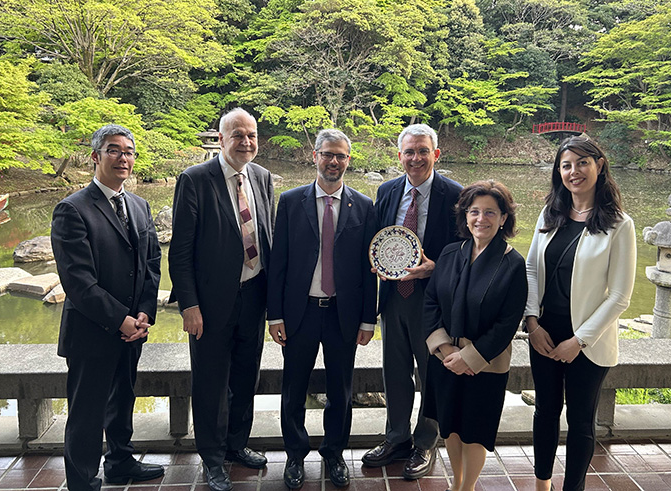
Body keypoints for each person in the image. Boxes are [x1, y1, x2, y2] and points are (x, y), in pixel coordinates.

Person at [51, 124, 163, 491]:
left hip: (134, 329)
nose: (124, 158)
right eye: (114, 150)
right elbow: (78, 282)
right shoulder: (72, 209)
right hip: (93, 332)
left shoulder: (139, 204)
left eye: (129, 151)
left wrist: (145, 311)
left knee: (123, 402)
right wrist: (121, 319)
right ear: (96, 157)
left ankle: (120, 462)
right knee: (87, 413)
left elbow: (150, 263)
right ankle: (81, 481)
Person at [169, 108, 274, 491]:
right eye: (238, 135)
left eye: (251, 135)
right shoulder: (195, 179)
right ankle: (212, 457)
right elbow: (180, 252)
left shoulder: (261, 177)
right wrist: (189, 305)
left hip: (254, 295)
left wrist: (274, 303)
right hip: (211, 304)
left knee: (247, 377)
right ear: (221, 138)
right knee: (211, 381)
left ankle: (236, 445)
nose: (246, 142)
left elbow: (268, 236)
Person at [267, 129, 377, 490]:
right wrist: (275, 314)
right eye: (327, 154)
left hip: (342, 314)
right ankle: (295, 455)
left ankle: (334, 453)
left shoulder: (363, 205)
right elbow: (278, 261)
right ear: (314, 156)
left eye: (341, 156)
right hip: (300, 312)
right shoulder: (291, 201)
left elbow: (367, 268)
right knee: (293, 387)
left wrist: (367, 317)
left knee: (341, 389)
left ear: (349, 159)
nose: (334, 162)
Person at [525, 136, 636, 491]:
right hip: (544, 332)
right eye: (566, 165)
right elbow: (530, 269)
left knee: (580, 419)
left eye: (582, 163)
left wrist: (580, 341)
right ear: (559, 172)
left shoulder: (619, 224)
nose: (575, 172)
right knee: (544, 412)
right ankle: (542, 483)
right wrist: (532, 322)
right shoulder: (550, 214)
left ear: (599, 165)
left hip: (588, 340)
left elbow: (620, 296)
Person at [362, 124, 462, 479]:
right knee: (395, 372)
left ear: (436, 154)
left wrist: (437, 267)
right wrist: (375, 261)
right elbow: (378, 240)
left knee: (431, 373)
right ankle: (396, 438)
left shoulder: (456, 195)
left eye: (423, 151)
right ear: (400, 155)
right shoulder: (387, 191)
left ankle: (425, 442)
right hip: (394, 298)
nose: (416, 158)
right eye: (409, 152)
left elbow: (467, 251)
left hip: (434, 301)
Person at [423, 180, 527, 491]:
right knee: (451, 427)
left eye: (490, 213)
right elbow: (430, 301)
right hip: (445, 358)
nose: (481, 219)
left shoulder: (513, 263)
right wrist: (444, 350)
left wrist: (469, 358)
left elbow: (508, 322)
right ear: (465, 216)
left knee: (475, 431)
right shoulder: (451, 252)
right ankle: (457, 482)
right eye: (475, 212)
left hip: (484, 364)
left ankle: (466, 487)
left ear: (503, 218)